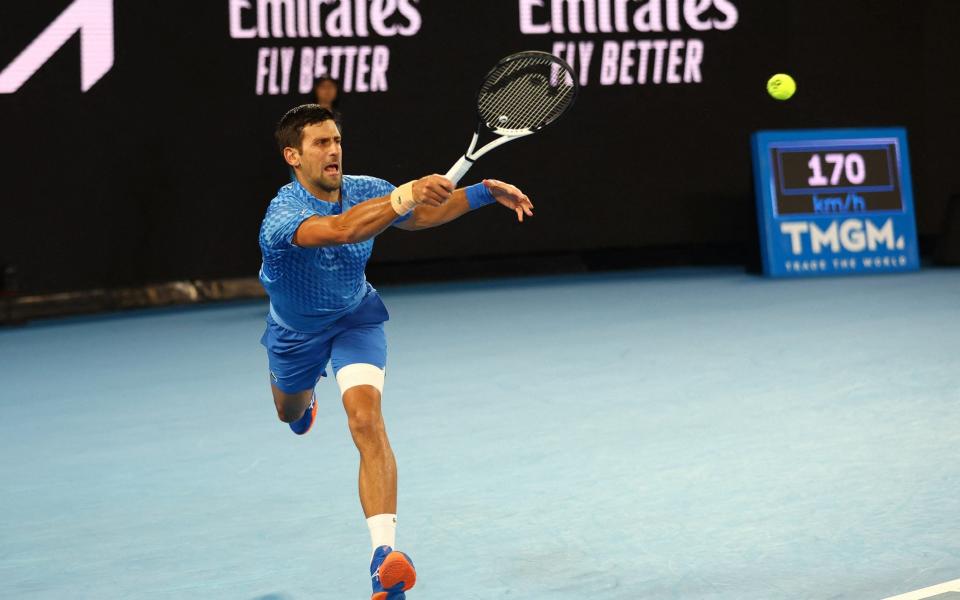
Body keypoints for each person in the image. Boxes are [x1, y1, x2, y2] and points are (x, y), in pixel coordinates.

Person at [258, 104, 533, 600]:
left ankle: (384, 559)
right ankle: (303, 400)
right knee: (288, 411)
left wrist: (482, 192)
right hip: (296, 334)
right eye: (321, 143)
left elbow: (420, 216)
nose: (334, 149)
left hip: (355, 319)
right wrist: (403, 195)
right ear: (292, 156)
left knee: (366, 421)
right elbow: (342, 230)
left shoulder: (364, 187)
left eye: (337, 139)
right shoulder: (282, 216)